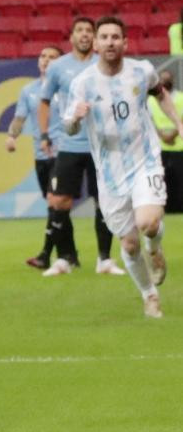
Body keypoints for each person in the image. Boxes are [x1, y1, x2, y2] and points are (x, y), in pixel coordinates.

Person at [62, 16, 183, 317]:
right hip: (110, 172)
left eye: (116, 37)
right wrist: (75, 118)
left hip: (145, 159)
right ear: (96, 43)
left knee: (148, 223)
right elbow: (69, 128)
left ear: (125, 42)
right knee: (129, 245)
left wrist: (178, 123)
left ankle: (154, 248)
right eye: (104, 37)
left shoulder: (141, 71)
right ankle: (149, 294)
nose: (110, 42)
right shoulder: (83, 83)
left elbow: (160, 93)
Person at [38, 17, 124, 277]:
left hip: (103, 146)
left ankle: (105, 259)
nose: (85, 35)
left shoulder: (107, 66)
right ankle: (65, 258)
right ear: (72, 36)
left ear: (96, 39)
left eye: (89, 31)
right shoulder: (58, 67)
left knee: (106, 202)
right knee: (60, 201)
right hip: (70, 145)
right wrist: (44, 134)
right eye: (80, 30)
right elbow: (43, 102)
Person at [5, 45, 64, 268]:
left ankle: (46, 255)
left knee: (55, 201)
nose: (46, 60)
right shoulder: (28, 90)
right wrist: (12, 136)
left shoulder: (65, 88)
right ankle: (68, 254)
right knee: (56, 206)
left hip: (63, 152)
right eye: (43, 56)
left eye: (52, 57)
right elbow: (20, 118)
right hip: (40, 155)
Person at [149, 69, 183, 213]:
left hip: (178, 146)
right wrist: (162, 136)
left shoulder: (181, 97)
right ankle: (164, 210)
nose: (164, 82)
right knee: (162, 183)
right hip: (159, 147)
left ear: (172, 80)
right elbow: (149, 119)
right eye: (162, 79)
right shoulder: (151, 100)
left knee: (180, 182)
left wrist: (174, 133)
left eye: (167, 79)